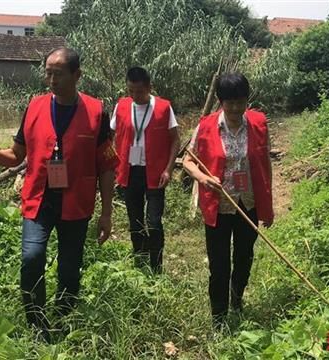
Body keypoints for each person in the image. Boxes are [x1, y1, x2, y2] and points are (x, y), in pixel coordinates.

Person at [0, 47, 117, 340]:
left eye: (58, 74)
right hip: (39, 199)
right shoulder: (34, 107)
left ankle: (64, 317)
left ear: (77, 75)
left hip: (77, 202)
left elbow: (107, 165)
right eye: (47, 72)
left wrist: (107, 214)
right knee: (32, 257)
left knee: (70, 266)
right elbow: (15, 156)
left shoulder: (97, 112)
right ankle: (37, 323)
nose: (51, 79)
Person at [182, 72, 274, 326]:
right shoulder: (206, 126)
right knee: (219, 264)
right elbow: (188, 161)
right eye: (229, 102)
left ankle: (237, 298)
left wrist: (268, 203)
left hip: (248, 204)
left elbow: (265, 164)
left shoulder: (258, 124)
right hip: (219, 205)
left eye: (240, 101)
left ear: (247, 100)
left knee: (244, 257)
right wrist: (202, 178)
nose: (235, 108)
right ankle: (219, 316)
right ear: (220, 101)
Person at [111, 67, 180, 273]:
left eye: (139, 91)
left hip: (156, 173)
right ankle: (139, 261)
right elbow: (112, 134)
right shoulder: (122, 106)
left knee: (154, 221)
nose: (135, 96)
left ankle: (156, 266)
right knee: (135, 219)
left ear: (149, 87)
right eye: (130, 91)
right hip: (130, 171)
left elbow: (175, 139)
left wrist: (168, 169)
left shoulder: (163, 108)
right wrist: (114, 165)